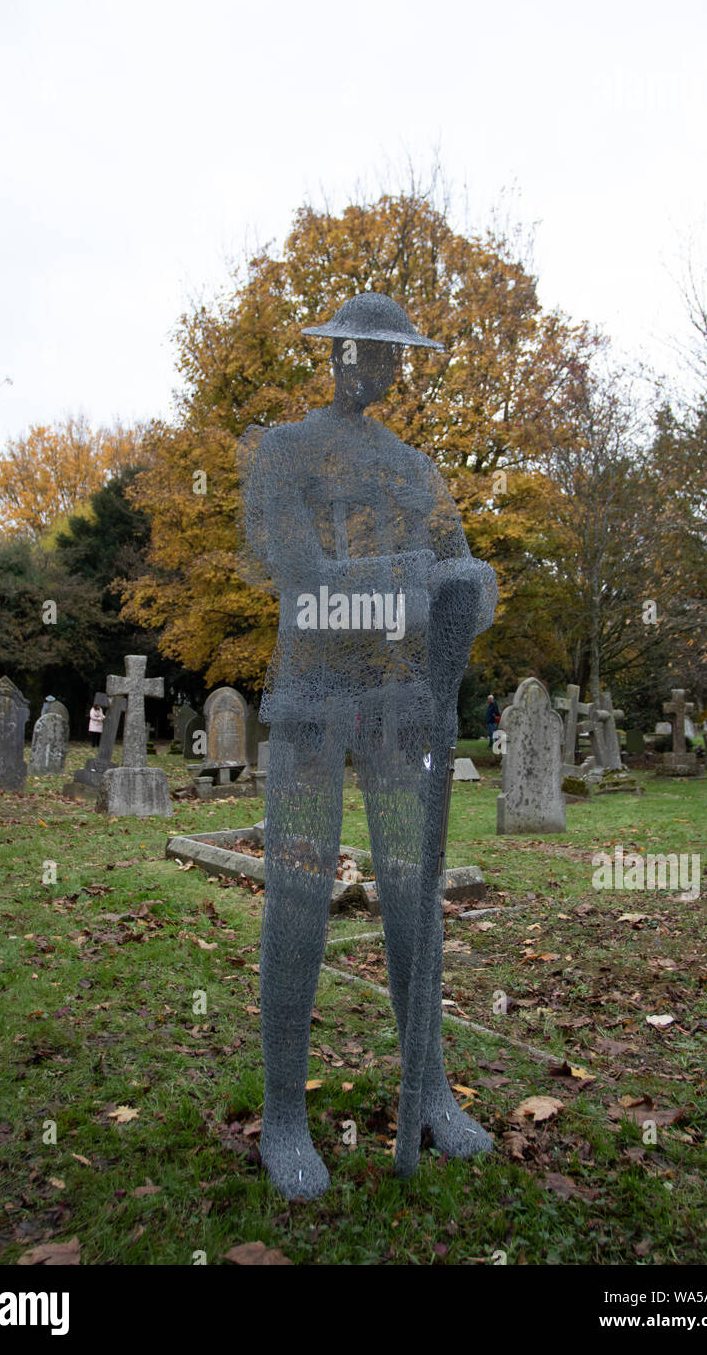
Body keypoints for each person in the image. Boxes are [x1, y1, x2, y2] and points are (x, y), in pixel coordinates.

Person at [239, 291, 498, 1200]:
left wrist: (474, 588)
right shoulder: (284, 452)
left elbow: (455, 563)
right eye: (370, 353)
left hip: (401, 703)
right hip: (311, 698)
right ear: (338, 354)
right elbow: (306, 587)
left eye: (399, 356)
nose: (385, 368)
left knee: (414, 901)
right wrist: (418, 582)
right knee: (300, 896)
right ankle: (284, 1113)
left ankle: (428, 1087)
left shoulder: (417, 468)